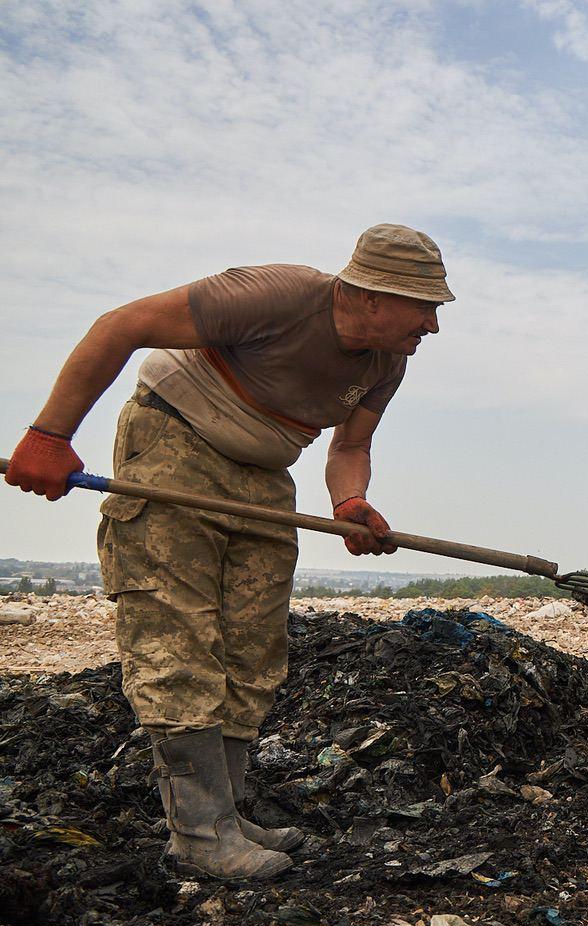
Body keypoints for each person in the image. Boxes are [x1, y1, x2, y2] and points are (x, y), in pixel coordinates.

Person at [5, 224, 453, 881]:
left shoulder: (389, 362)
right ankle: (198, 834)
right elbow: (120, 326)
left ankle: (224, 814)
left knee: (253, 645)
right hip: (174, 441)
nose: (433, 327)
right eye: (425, 308)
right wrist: (49, 433)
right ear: (372, 297)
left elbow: (349, 449)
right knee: (175, 636)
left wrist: (351, 505)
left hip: (264, 474)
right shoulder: (274, 295)